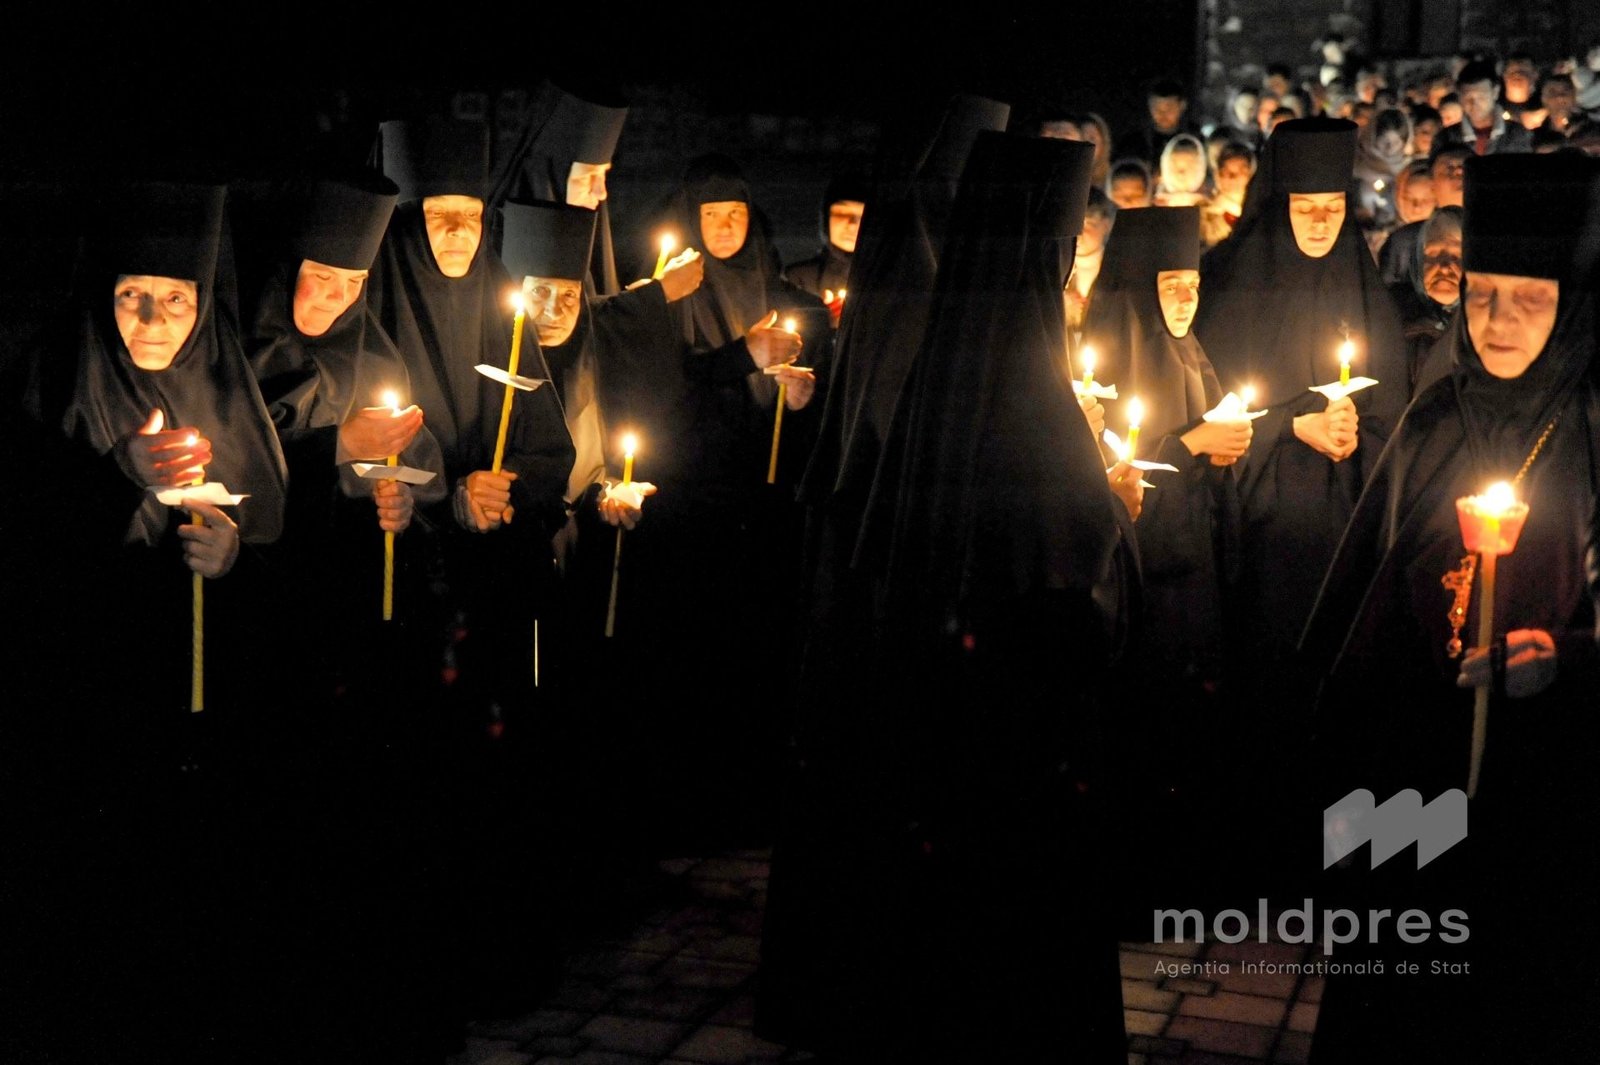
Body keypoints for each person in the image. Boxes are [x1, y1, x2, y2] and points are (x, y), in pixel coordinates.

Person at [760, 128, 1131, 1064]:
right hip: (1016, 728)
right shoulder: (1028, 381)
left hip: (942, 712)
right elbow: (1062, 565)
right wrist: (1109, 507)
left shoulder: (948, 367)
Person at [1301, 150, 1600, 1065]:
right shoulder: (1435, 417)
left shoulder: (1591, 428)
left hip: (1545, 773)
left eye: (1530, 298)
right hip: (1411, 760)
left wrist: (1572, 654)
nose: (1499, 320)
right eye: (1481, 294)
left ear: (1576, 299)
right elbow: (1368, 591)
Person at [3, 181, 286, 1062]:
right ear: (104, 294)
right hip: (94, 708)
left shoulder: (228, 385)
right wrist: (113, 475)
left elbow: (280, 532)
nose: (156, 319)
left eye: (177, 299)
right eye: (133, 296)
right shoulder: (53, 381)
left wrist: (235, 554)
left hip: (211, 713)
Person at [370, 111, 577, 1017]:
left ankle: (501, 965)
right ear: (413, 221)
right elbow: (369, 433)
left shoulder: (506, 310)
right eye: (438, 215)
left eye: (467, 215)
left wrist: (507, 489)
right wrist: (445, 492)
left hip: (490, 595)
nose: (455, 233)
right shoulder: (378, 307)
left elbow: (550, 445)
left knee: (494, 783)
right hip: (408, 585)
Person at [1193, 117, 1409, 901]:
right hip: (1266, 537)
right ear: (1279, 204)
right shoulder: (1237, 289)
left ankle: (1340, 869)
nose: (1320, 223)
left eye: (1333, 207)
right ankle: (1264, 867)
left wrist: (1362, 429)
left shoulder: (1363, 287)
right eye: (1305, 207)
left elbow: (1397, 408)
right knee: (1270, 693)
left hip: (1349, 534)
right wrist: (1295, 422)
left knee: (1341, 701)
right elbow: (1211, 420)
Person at [614, 152, 825, 851]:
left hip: (758, 500)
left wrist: (796, 400)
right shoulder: (673, 291)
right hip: (691, 496)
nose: (727, 228)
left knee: (753, 653)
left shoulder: (774, 282)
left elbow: (792, 384)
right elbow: (664, 383)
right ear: (690, 223)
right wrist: (743, 355)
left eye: (736, 215)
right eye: (712, 217)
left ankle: (748, 803)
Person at [1080, 206, 1251, 919]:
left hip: (1196, 568)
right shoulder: (1115, 354)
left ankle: (1183, 878)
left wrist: (1225, 441)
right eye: (1169, 286)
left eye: (1192, 284)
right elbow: (1115, 468)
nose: (1185, 298)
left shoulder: (1190, 351)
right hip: (1147, 574)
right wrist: (1195, 442)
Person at [1389, 206, 1463, 391]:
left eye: (1457, 256)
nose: (1444, 267)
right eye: (1432, 255)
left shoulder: (1492, 328)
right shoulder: (1390, 323)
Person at [784, 172, 868, 324]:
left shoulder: (891, 283)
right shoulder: (799, 281)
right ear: (826, 218)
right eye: (842, 212)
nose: (853, 223)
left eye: (863, 214)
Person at [1380, 144, 1469, 284]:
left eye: (1467, 168)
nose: (1458, 171)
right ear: (1433, 184)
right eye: (1449, 168)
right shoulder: (1405, 242)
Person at [1437, 60, 1534, 155]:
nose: (1474, 104)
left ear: (1495, 92)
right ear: (1459, 96)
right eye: (1468, 98)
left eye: (1481, 97)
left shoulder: (1518, 135)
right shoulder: (1446, 138)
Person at [1119, 77, 1203, 169]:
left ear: (1182, 105)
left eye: (1169, 107)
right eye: (1156, 107)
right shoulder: (1134, 142)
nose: (1162, 114)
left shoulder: (1195, 139)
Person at [1200, 140, 1254, 247]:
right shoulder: (1204, 213)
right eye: (1226, 171)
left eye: (1241, 171)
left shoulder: (1260, 212)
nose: (1233, 177)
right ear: (1218, 174)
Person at [1153, 131, 1209, 206]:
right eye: (1174, 165)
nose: (1181, 173)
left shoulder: (1212, 208)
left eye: (1190, 166)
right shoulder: (1152, 208)